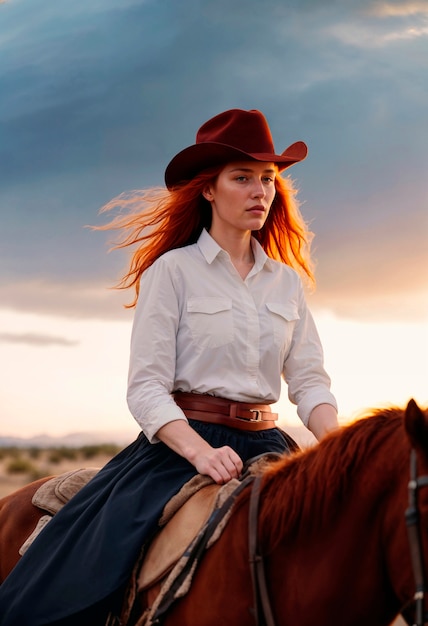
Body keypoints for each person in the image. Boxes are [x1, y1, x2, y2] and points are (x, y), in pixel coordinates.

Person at [0, 109, 338, 625]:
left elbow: (310, 380)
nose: (259, 192)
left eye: (267, 179)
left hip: (270, 442)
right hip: (181, 447)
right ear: (209, 190)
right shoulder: (173, 272)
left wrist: (337, 447)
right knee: (87, 570)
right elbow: (146, 389)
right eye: (242, 178)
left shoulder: (286, 283)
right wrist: (200, 453)